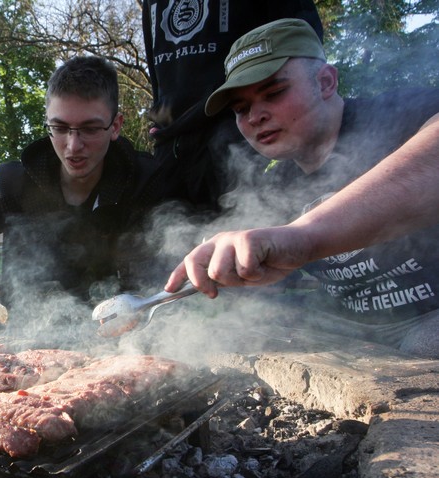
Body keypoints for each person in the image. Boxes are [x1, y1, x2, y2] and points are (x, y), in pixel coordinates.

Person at [166, 18, 439, 358]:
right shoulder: (275, 188)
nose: (254, 116)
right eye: (241, 108)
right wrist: (229, 272)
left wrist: (304, 235)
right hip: (351, 327)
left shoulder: (402, 114)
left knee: (426, 343)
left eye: (274, 93)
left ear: (325, 82)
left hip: (430, 318)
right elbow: (272, 289)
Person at [0, 56, 196, 336]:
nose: (73, 146)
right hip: (19, 346)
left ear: (115, 127)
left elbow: (161, 278)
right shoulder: (15, 181)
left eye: (89, 129)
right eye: (60, 128)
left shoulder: (146, 182)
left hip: (120, 346)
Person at [142, 1, 322, 210]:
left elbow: (301, 36)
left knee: (251, 219)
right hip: (170, 141)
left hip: (233, 126)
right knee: (166, 225)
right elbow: (154, 63)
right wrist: (159, 112)